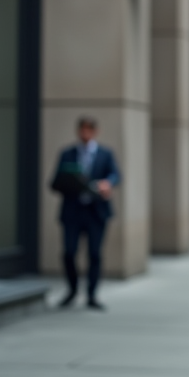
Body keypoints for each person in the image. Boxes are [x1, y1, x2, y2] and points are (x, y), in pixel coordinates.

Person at [50, 116, 121, 310]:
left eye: (89, 130)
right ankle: (72, 290)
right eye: (82, 130)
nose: (85, 134)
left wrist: (108, 183)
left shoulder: (105, 154)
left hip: (96, 212)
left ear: (95, 132)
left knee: (94, 254)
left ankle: (92, 295)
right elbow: (55, 182)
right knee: (69, 253)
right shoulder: (67, 154)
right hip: (73, 211)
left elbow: (115, 175)